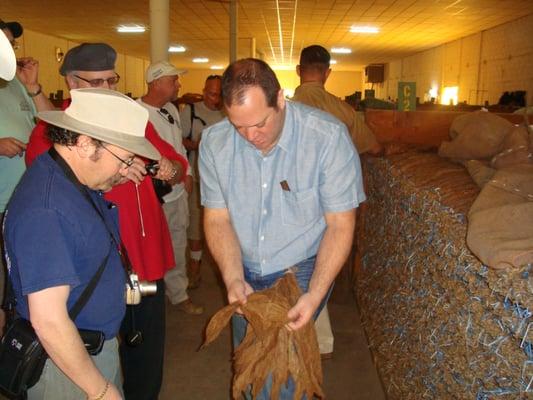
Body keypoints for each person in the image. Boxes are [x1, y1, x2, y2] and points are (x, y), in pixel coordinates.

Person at [25, 43, 188, 400]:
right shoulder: (55, 129)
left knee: (145, 352)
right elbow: (50, 183)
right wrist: (114, 170)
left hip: (144, 253)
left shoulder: (128, 117)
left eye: (111, 81)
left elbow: (178, 166)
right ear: (72, 82)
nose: (107, 90)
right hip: (98, 263)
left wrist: (166, 167)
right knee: (95, 345)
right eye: (96, 82)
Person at [199, 58, 365, 399]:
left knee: (281, 375)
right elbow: (217, 218)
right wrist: (231, 277)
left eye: (259, 123)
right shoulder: (214, 142)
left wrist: (315, 294)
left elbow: (340, 224)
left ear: (280, 99)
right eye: (238, 126)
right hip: (244, 263)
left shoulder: (327, 138)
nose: (250, 136)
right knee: (249, 362)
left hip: (299, 267)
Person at [4, 87, 160, 399]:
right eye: (124, 158)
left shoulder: (68, 175)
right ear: (85, 143)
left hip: (89, 347)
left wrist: (115, 172)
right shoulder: (46, 210)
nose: (124, 168)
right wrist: (99, 389)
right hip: (67, 366)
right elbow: (48, 319)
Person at [0, 17, 54, 332]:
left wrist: (33, 86)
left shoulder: (16, 83)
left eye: (12, 42)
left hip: (23, 202)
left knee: (17, 286)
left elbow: (51, 126)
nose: (10, 48)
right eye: (4, 41)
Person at [138, 61, 204, 315]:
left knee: (177, 243)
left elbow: (177, 148)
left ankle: (179, 294)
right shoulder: (138, 113)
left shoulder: (172, 110)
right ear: (156, 83)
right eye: (173, 80)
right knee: (149, 246)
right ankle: (148, 297)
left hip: (177, 192)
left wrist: (186, 173)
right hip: (153, 194)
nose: (179, 85)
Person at [293, 44, 382, 155]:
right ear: (327, 73)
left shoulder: (282, 111)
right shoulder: (345, 110)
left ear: (298, 70)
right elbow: (375, 149)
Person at [180, 74, 224, 288]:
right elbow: (178, 141)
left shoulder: (228, 113)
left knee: (224, 227)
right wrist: (198, 145)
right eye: (209, 93)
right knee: (196, 228)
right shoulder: (192, 111)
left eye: (217, 94)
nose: (212, 98)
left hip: (224, 181)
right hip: (199, 179)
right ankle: (194, 269)